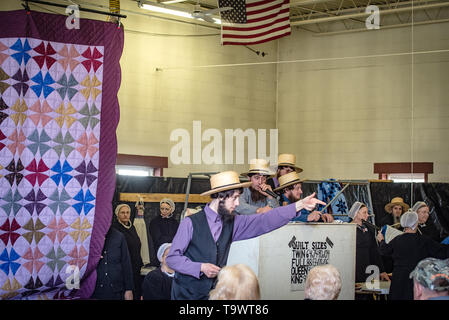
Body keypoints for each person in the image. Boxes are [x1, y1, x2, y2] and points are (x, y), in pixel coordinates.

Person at [166, 170, 326, 300]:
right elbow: (172, 258)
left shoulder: (233, 222)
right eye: (234, 198)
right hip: (185, 295)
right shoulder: (190, 223)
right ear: (220, 197)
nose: (237, 204)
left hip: (213, 295)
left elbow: (265, 220)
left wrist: (298, 205)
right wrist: (200, 267)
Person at [377, 210, 449, 300]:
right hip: (416, 280)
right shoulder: (424, 241)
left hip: (398, 280)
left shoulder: (397, 240)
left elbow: (384, 250)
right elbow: (443, 251)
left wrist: (381, 240)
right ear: (416, 223)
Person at [348, 201, 389, 300]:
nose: (367, 215)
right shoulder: (348, 229)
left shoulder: (369, 229)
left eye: (367, 212)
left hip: (368, 268)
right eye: (364, 213)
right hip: (354, 268)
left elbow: (374, 251)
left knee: (369, 294)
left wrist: (382, 270)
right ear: (356, 213)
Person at [91, 226, 134, 300]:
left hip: (116, 290)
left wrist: (129, 289)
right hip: (95, 290)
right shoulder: (89, 235)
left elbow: (126, 263)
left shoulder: (119, 237)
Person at [112, 204, 144, 300]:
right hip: (124, 267)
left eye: (127, 212)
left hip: (135, 266)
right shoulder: (114, 229)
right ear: (117, 214)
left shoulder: (132, 227)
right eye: (122, 212)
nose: (125, 215)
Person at [149, 198, 179, 266]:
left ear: (171, 209)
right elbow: (157, 239)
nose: (164, 211)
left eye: (167, 209)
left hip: (172, 253)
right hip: (159, 252)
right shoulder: (155, 222)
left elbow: (178, 237)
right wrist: (172, 239)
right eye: (162, 209)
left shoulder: (175, 223)